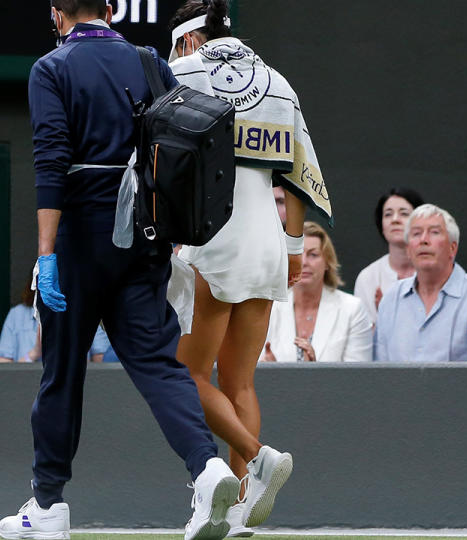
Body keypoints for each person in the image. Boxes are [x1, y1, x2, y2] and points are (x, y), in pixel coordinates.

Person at [0, 2, 240, 539]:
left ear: (56, 12)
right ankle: (207, 467)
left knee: (62, 372)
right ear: (109, 9)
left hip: (80, 235)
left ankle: (48, 506)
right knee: (159, 363)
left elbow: (50, 159)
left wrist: (45, 256)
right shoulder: (150, 59)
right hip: (146, 234)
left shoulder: (51, 68)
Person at [167, 0, 334, 534]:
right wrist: (291, 246)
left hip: (213, 242)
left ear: (190, 40)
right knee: (239, 383)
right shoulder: (277, 81)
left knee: (182, 374)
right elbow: (299, 172)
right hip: (266, 243)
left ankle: (258, 456)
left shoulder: (180, 75)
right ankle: (238, 509)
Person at [375, 204, 467, 362]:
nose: (423, 240)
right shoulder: (391, 300)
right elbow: (379, 373)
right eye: (416, 233)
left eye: (434, 232)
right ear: (408, 251)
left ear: (453, 248)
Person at [261, 223, 372, 363]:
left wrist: (315, 372)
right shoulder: (269, 308)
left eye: (313, 255)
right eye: (297, 254)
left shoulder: (352, 309)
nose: (304, 262)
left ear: (327, 262)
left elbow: (358, 378)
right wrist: (269, 370)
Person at [0, 276, 111, 363]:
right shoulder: (18, 314)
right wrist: (35, 352)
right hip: (25, 389)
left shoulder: (87, 313)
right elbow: (1, 365)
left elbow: (101, 365)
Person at [353, 187, 425, 323]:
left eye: (404, 214)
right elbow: (364, 338)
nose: (395, 220)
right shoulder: (368, 278)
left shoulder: (432, 271)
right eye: (388, 214)